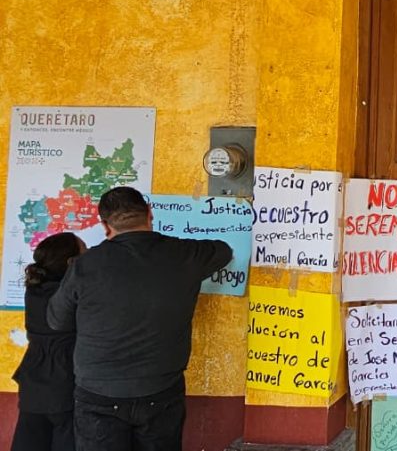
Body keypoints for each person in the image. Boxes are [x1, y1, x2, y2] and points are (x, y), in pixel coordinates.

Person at [48, 187, 233, 451]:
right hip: (160, 390)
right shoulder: (185, 255)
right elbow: (223, 251)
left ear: (105, 226)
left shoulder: (85, 266)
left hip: (97, 392)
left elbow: (57, 321)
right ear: (149, 214)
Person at [11, 232, 86, 451]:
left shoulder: (35, 289)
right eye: (85, 250)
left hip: (33, 380)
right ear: (72, 262)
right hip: (65, 380)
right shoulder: (72, 294)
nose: (89, 255)